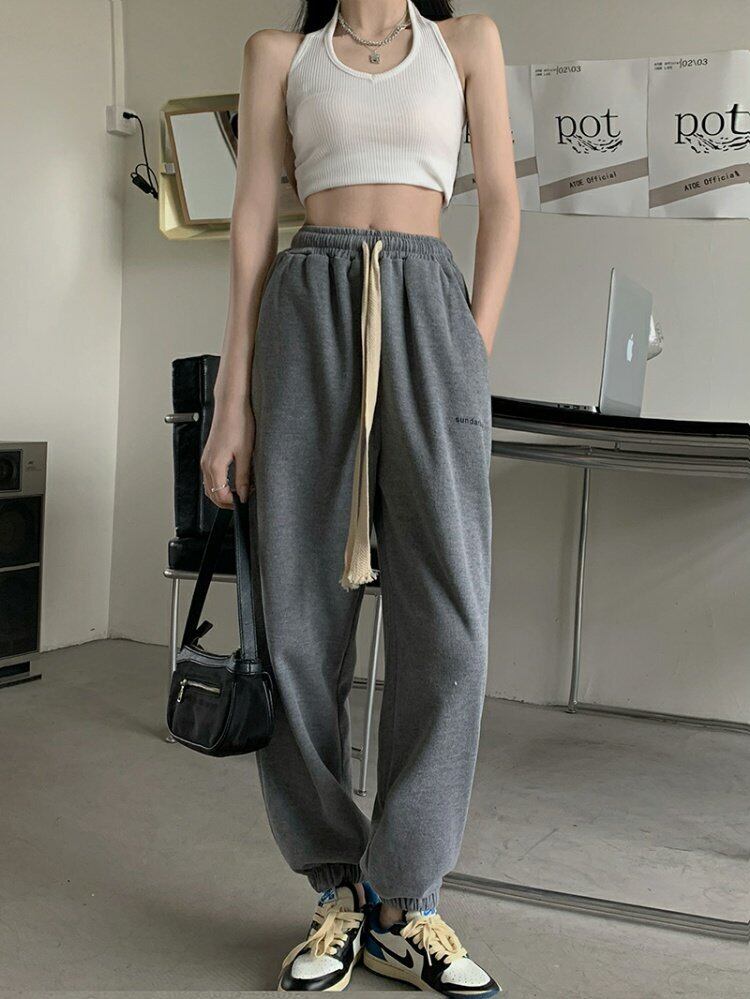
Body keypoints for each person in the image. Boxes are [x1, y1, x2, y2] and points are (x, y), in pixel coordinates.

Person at [200, 0, 520, 992]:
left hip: (429, 308)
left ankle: (405, 899)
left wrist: (470, 349)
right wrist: (231, 399)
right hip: (309, 308)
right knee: (299, 621)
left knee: (451, 626)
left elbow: (502, 201)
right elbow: (254, 218)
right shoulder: (280, 54)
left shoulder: (467, 42)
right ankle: (339, 889)